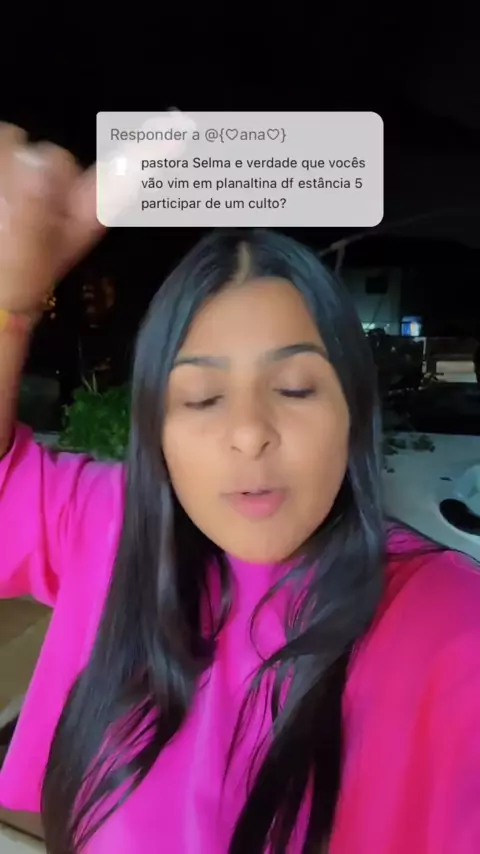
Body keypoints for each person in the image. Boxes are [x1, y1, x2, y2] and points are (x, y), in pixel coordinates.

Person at [0, 124, 479, 854]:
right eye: (202, 398)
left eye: (294, 387)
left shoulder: (446, 625)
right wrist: (8, 310)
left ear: (353, 413)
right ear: (155, 429)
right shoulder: (110, 520)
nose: (250, 432)